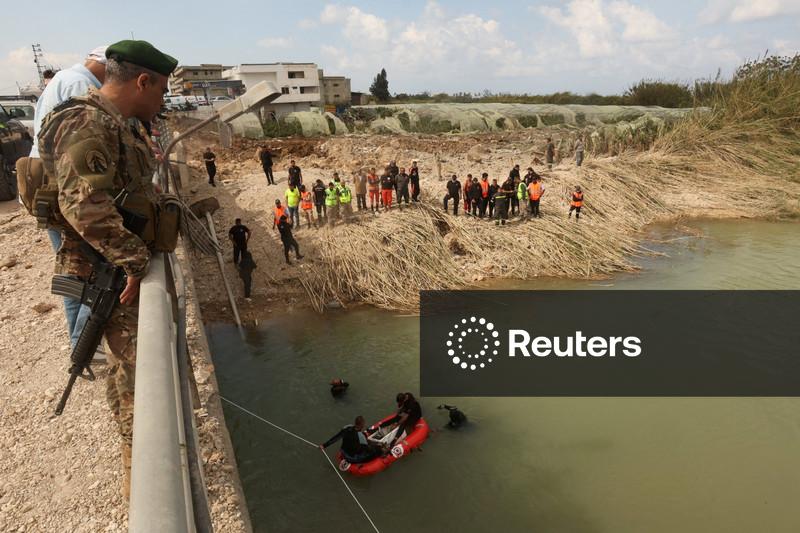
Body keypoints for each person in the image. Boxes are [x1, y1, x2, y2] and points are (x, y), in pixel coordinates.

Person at [37, 39, 178, 499]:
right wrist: (135, 260)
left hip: (114, 271)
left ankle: (142, 476)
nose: (162, 101)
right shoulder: (86, 121)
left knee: (132, 378)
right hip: (108, 275)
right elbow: (85, 207)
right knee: (138, 389)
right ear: (142, 81)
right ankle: (147, 492)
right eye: (161, 91)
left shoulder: (120, 124)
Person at [28, 45, 108, 351]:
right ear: (102, 65)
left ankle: (79, 344)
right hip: (65, 187)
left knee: (73, 271)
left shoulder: (61, 79)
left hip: (46, 187)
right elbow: (83, 151)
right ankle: (84, 344)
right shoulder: (82, 86)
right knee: (95, 267)